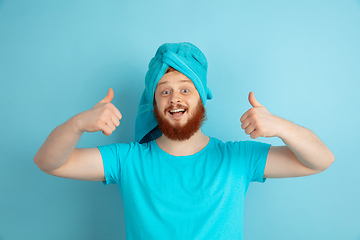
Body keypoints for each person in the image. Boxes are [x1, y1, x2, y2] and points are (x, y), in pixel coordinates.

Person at [34, 42, 334, 239]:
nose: (174, 97)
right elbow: (49, 162)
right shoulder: (127, 160)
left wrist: (280, 126)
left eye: (186, 89)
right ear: (153, 104)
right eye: (164, 90)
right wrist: (78, 124)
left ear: (202, 98)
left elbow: (321, 160)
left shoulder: (238, 158)